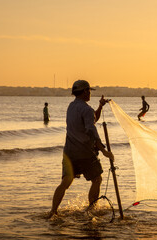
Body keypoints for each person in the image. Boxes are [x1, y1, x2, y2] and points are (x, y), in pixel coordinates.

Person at [48, 80, 114, 218]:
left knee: (65, 182)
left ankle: (53, 211)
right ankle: (91, 210)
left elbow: (92, 119)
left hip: (69, 152)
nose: (90, 93)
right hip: (84, 152)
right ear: (85, 92)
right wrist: (104, 151)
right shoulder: (86, 109)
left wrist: (100, 106)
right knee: (97, 179)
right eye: (89, 91)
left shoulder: (71, 107)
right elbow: (91, 129)